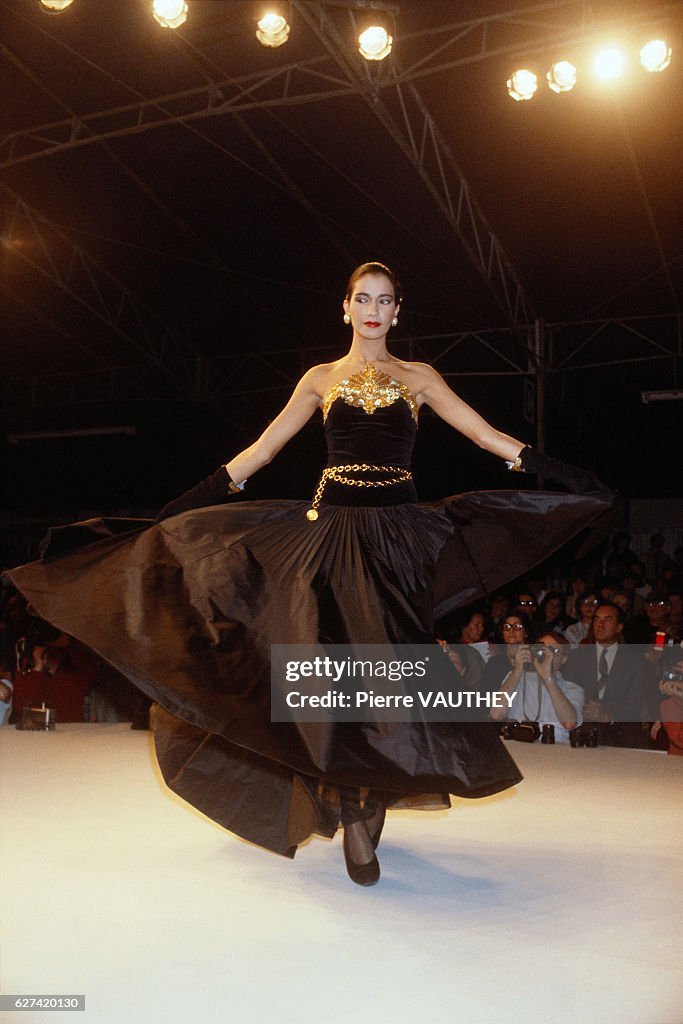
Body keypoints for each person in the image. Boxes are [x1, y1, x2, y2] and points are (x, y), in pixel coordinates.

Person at [5, 261, 613, 886]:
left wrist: (560, 473)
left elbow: (486, 436)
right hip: (330, 538)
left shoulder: (419, 378)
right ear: (344, 308)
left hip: (398, 541)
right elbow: (263, 451)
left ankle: (369, 799)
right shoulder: (321, 378)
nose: (373, 310)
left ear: (398, 313)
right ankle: (354, 808)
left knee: (388, 682)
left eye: (385, 301)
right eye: (362, 299)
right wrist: (189, 501)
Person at [489, 630, 583, 743]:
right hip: (519, 747)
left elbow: (569, 723)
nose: (547, 655)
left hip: (556, 752)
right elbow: (496, 714)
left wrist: (549, 680)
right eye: (542, 649)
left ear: (564, 659)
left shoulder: (573, 689)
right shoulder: (515, 679)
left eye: (554, 650)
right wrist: (518, 670)